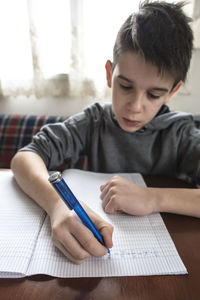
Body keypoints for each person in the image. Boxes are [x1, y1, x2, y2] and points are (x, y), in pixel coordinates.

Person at [11, 0, 199, 265]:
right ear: (110, 74)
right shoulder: (94, 121)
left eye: (154, 94)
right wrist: (57, 207)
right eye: (125, 86)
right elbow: (24, 158)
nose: (135, 106)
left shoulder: (181, 134)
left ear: (173, 92)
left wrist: (153, 198)